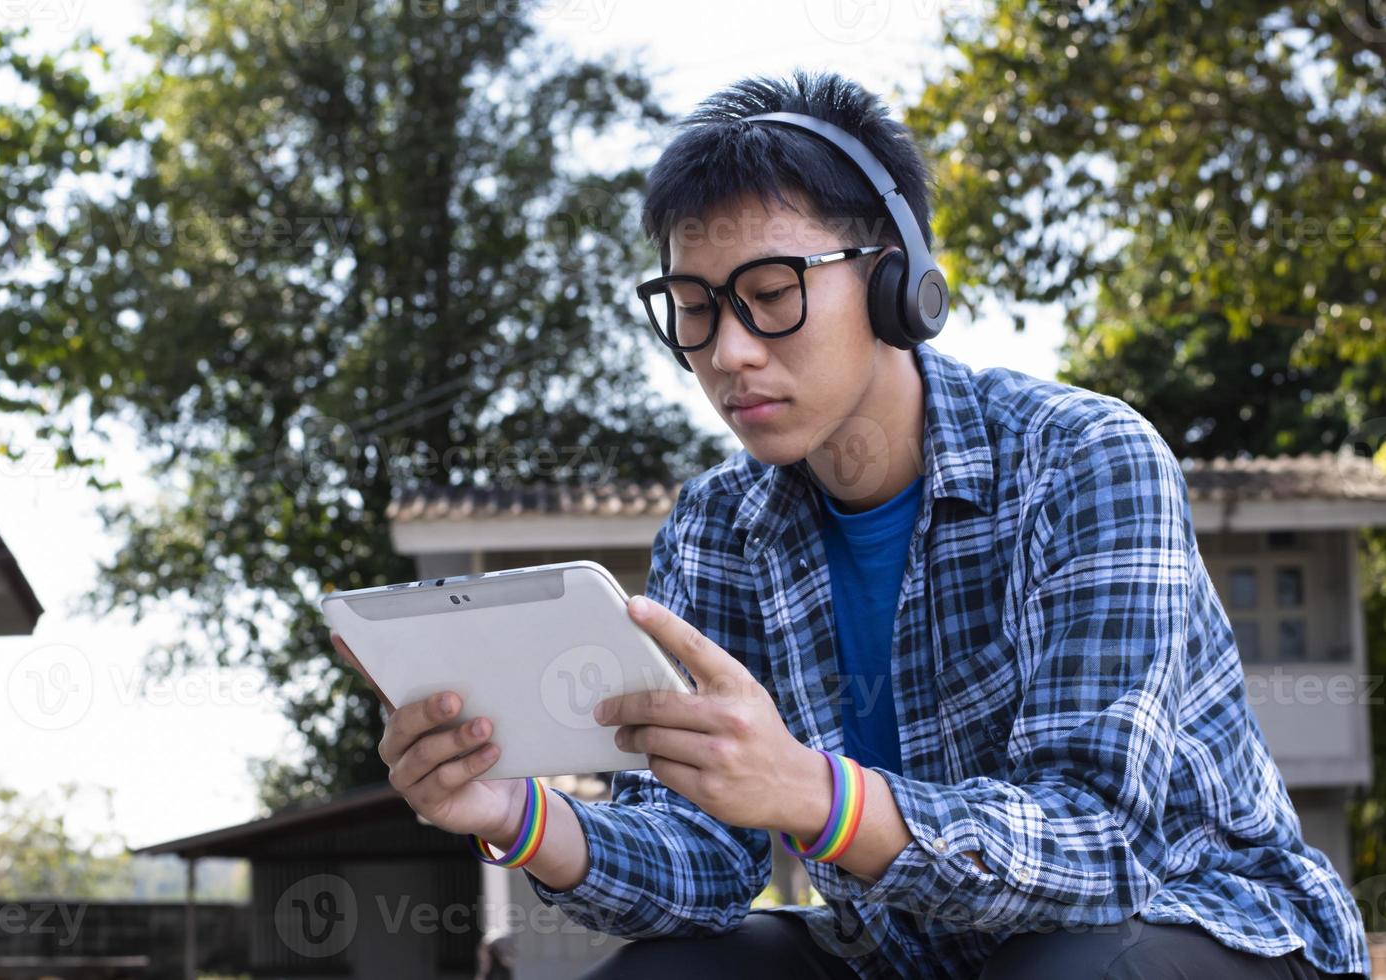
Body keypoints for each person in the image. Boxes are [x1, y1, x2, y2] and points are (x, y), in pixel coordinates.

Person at [334, 69, 1371, 978]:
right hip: (907, 949)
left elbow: (1097, 848)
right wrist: (516, 817)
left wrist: (817, 796)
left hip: (1194, 923)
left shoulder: (1084, 456)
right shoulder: (716, 527)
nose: (728, 350)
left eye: (771, 293)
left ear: (894, 283)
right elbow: (702, 866)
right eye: (693, 304)